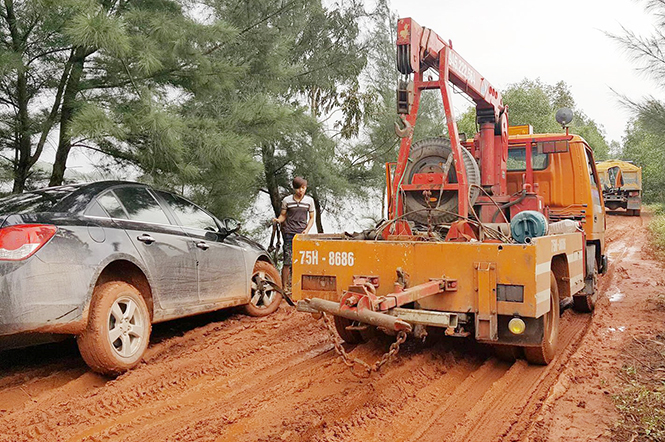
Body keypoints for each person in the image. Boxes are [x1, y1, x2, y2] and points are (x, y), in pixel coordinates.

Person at [273, 177, 315, 289]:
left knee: (303, 261)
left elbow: (311, 218)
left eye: (303, 188)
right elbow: (283, 215)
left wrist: (307, 230)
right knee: (287, 261)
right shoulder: (287, 200)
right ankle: (285, 287)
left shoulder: (309, 201)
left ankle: (300, 286)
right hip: (289, 233)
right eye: (298, 188)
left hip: (302, 234)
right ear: (294, 188)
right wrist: (278, 220)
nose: (301, 190)